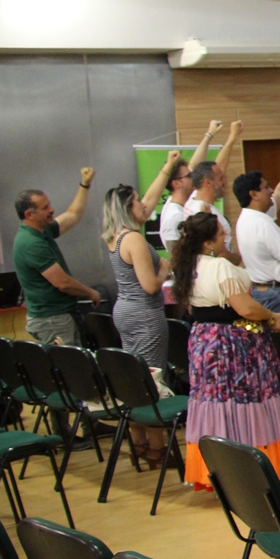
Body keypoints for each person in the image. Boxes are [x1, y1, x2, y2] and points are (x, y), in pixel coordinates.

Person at [171, 212, 280, 490]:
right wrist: (270, 317)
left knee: (215, 401)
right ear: (207, 242)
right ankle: (254, 467)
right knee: (246, 399)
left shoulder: (188, 266)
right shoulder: (219, 267)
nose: (225, 235)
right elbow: (246, 308)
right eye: (220, 233)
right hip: (233, 345)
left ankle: (220, 468)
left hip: (204, 343)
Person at [101, 180, 176, 465]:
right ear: (127, 207)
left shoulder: (114, 236)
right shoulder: (133, 238)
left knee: (133, 378)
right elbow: (150, 285)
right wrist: (165, 268)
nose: (143, 205)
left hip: (125, 311)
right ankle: (157, 448)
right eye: (137, 201)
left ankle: (139, 443)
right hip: (144, 313)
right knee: (151, 379)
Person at [13, 171, 101, 346]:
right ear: (29, 215)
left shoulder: (40, 231)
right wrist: (90, 293)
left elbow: (73, 214)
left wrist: (84, 184)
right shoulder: (31, 243)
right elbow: (63, 283)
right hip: (53, 320)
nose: (51, 209)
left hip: (55, 318)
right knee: (69, 363)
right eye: (45, 208)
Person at [233, 170, 280, 334]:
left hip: (262, 291)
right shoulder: (263, 224)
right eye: (266, 187)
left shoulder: (246, 218)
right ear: (254, 194)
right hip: (279, 295)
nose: (271, 191)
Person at [159, 120, 236, 256]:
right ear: (176, 184)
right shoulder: (174, 216)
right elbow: (179, 255)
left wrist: (210, 134)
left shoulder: (189, 198)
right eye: (189, 176)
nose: (194, 176)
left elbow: (209, 168)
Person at [186, 157, 240, 262]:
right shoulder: (202, 213)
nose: (225, 182)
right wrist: (239, 258)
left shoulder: (193, 199)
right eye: (221, 179)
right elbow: (218, 253)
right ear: (208, 183)